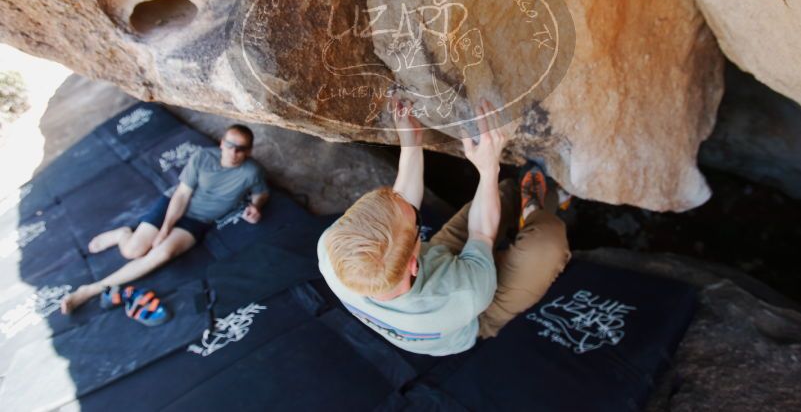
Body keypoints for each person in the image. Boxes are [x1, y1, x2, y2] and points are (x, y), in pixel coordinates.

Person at [318, 99, 571, 356]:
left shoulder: (333, 249)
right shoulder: (463, 296)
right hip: (471, 315)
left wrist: (411, 144)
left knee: (504, 194)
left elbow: (400, 207)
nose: (403, 199)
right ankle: (539, 208)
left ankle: (522, 200)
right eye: (416, 222)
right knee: (546, 243)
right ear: (414, 264)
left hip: (438, 267)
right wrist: (488, 168)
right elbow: (481, 233)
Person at [61, 124, 269, 314]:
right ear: (222, 143)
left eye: (241, 149)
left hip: (199, 220)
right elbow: (181, 195)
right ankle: (122, 234)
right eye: (230, 145)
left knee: (162, 254)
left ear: (249, 151)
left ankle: (90, 290)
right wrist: (164, 231)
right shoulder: (203, 157)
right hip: (172, 205)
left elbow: (261, 193)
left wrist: (256, 206)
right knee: (132, 251)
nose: (234, 153)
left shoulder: (252, 171)